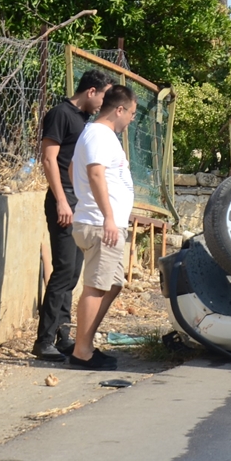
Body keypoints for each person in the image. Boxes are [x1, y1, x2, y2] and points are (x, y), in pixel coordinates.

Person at [31, 69, 114, 361]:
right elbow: (48, 158)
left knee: (73, 274)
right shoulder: (60, 114)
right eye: (103, 96)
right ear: (91, 91)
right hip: (63, 204)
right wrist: (62, 201)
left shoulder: (84, 121)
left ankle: (63, 336)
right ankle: (43, 341)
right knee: (64, 270)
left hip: (78, 206)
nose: (104, 103)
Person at [68, 85, 137, 370]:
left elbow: (74, 169)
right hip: (100, 224)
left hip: (101, 221)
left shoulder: (98, 134)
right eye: (131, 113)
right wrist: (107, 215)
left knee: (112, 284)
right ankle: (81, 352)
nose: (131, 119)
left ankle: (86, 344)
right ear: (119, 109)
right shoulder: (99, 134)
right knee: (96, 287)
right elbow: (94, 173)